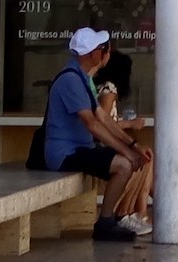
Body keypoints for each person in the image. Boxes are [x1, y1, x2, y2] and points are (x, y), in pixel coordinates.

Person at [38, 26, 150, 241]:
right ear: (92, 54)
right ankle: (106, 222)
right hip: (65, 153)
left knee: (127, 160)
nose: (108, 52)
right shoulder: (70, 80)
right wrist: (126, 152)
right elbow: (92, 124)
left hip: (80, 149)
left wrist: (132, 145)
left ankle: (111, 219)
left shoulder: (82, 78)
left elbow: (104, 118)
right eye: (104, 48)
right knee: (123, 165)